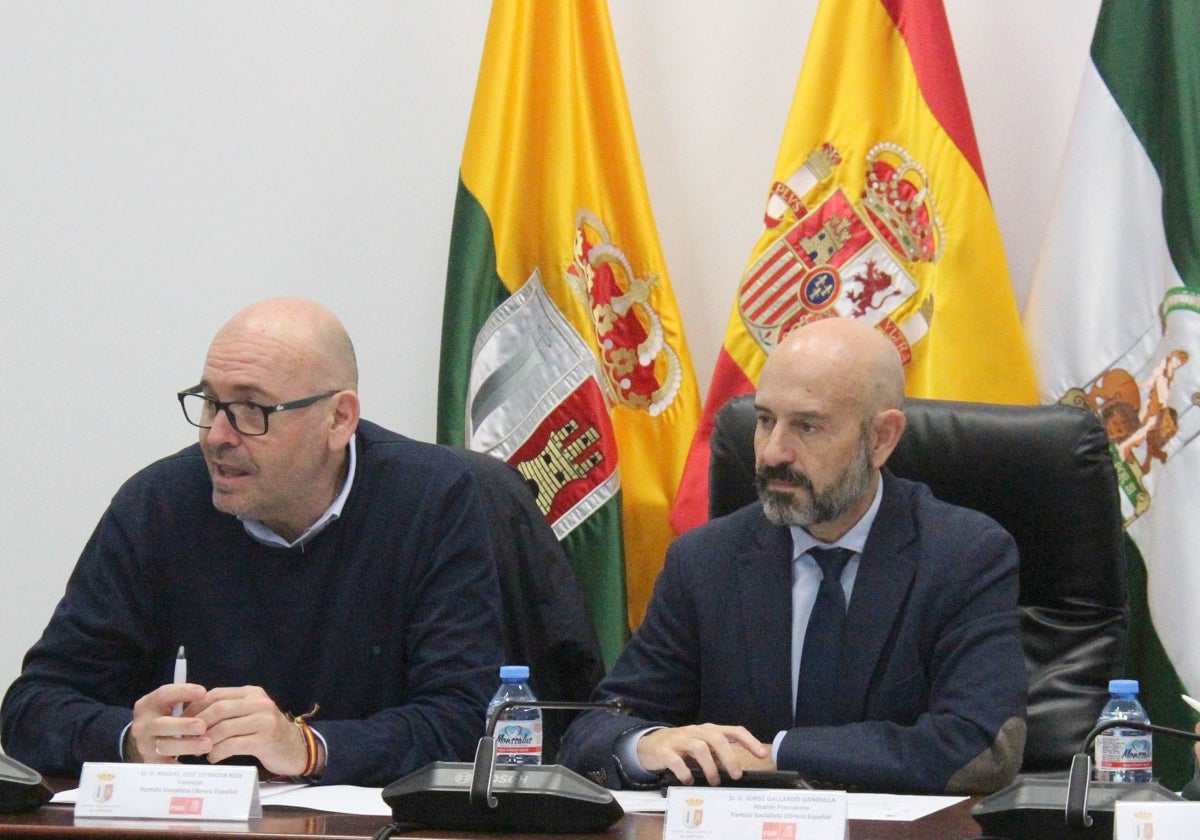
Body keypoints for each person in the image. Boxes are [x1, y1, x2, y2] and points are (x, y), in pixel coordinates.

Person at [1, 298, 503, 786]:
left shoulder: (430, 501)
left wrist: (306, 747)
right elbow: (32, 706)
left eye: (250, 408)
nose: (217, 435)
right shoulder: (157, 504)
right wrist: (129, 738)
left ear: (338, 420)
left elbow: (468, 721)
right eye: (210, 403)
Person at [559, 317, 1027, 794]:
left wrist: (773, 754)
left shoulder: (964, 556)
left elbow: (979, 745)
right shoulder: (704, 561)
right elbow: (596, 730)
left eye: (807, 425)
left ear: (882, 438)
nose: (774, 452)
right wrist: (644, 745)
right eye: (765, 421)